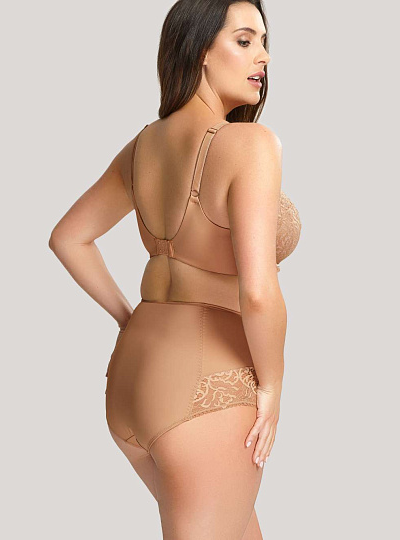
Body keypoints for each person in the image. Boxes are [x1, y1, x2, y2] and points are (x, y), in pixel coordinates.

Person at [48, 0, 301, 538]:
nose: (264, 57)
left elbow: (69, 237)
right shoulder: (251, 145)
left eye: (264, 42)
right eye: (244, 41)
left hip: (131, 380)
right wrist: (273, 387)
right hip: (209, 387)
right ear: (200, 50)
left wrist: (127, 319)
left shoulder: (141, 148)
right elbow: (259, 293)